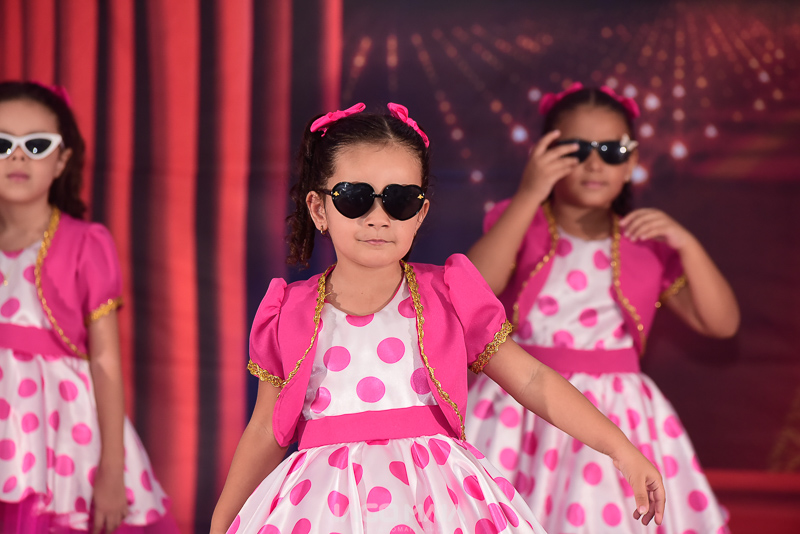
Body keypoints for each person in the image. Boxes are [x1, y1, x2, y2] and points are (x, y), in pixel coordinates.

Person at [210, 102, 665, 534]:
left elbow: (532, 380)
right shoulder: (289, 311)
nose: (378, 218)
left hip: (439, 505)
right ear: (318, 209)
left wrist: (620, 448)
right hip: (323, 508)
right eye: (354, 197)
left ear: (420, 213)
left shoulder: (449, 295)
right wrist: (222, 524)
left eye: (399, 200)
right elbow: (265, 431)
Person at [465, 82, 738, 533]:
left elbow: (721, 324)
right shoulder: (519, 223)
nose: (595, 164)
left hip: (617, 412)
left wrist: (688, 245)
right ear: (544, 154)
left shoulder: (645, 243)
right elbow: (472, 289)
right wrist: (530, 193)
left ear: (631, 162)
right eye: (577, 150)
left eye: (612, 151)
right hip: (523, 404)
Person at [0, 81, 178, 533]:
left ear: (61, 159)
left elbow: (104, 361)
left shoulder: (84, 244)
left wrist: (112, 469)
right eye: (2, 144)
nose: (17, 157)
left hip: (60, 441)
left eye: (36, 145)